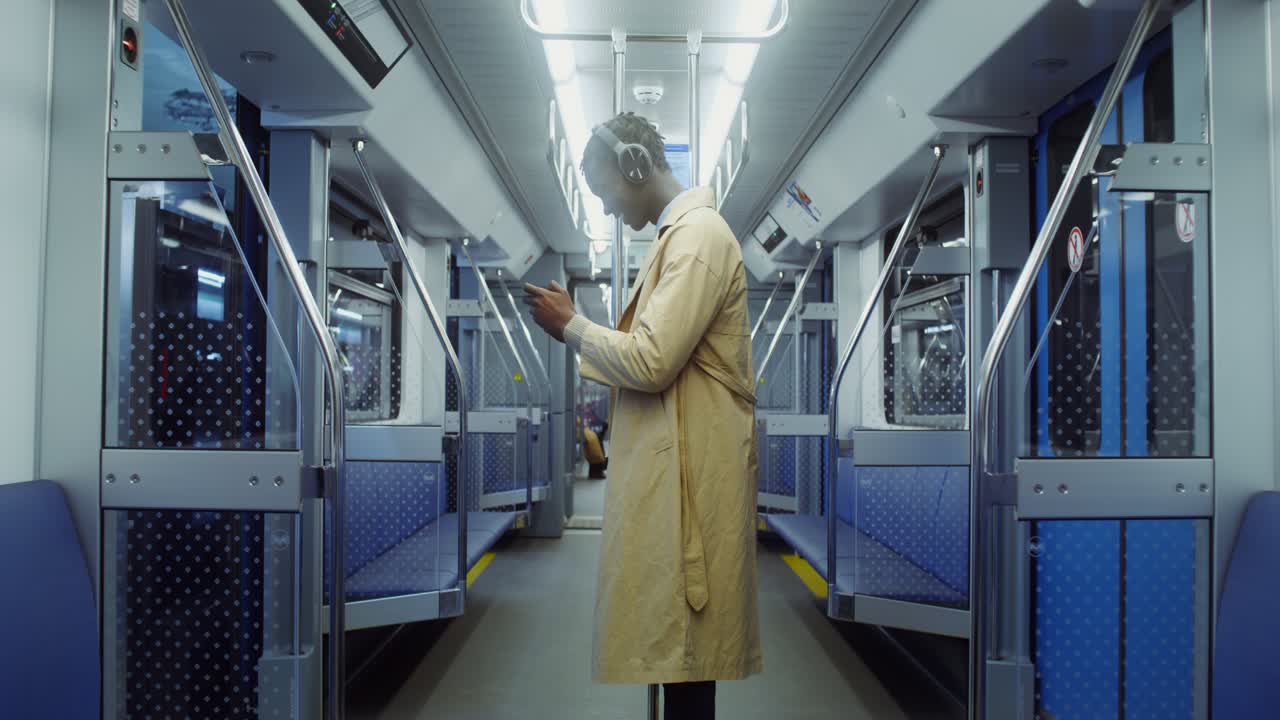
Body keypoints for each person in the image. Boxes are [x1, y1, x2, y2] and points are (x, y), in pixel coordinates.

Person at [524, 112, 761, 719]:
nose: (605, 208)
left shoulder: (699, 239)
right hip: (673, 480)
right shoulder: (676, 239)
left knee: (686, 658)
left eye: (606, 191)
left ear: (636, 166)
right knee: (674, 655)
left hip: (690, 487)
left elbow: (653, 360)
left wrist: (572, 327)